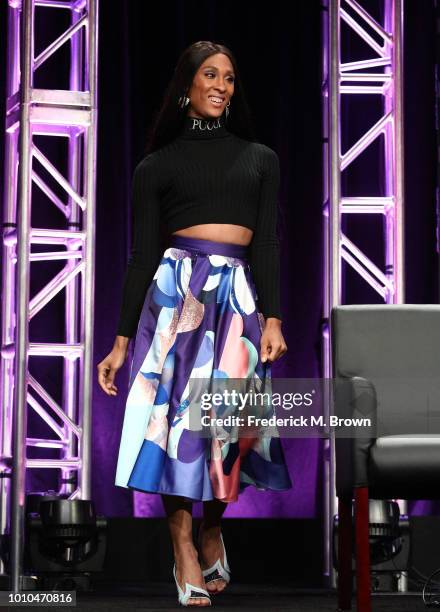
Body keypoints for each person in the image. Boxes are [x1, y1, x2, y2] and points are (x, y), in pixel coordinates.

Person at [97, 40, 293, 607]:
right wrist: (120, 341)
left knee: (226, 429)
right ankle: (181, 540)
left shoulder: (260, 158)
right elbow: (139, 258)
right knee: (174, 424)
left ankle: (211, 526)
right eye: (210, 75)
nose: (221, 86)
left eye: (229, 78)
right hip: (175, 296)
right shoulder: (154, 167)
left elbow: (270, 245)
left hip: (236, 298)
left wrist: (274, 317)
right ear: (187, 86)